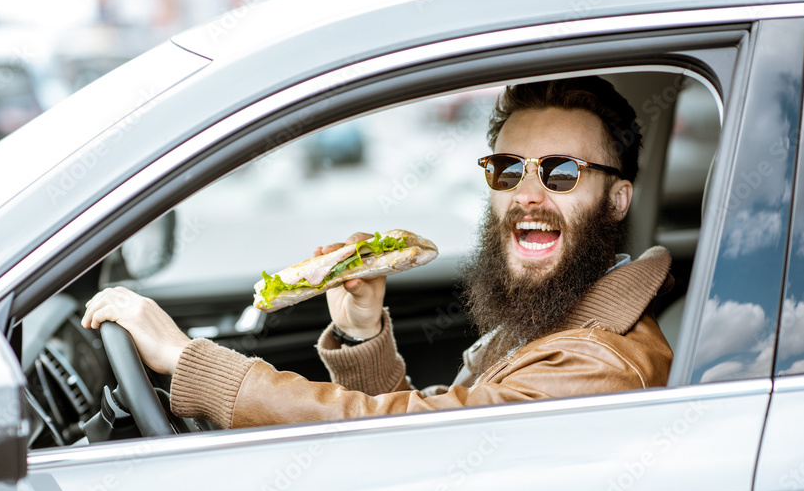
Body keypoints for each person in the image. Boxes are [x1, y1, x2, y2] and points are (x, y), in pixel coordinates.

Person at [82, 76, 674, 429]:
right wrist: (364, 338)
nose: (528, 194)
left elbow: (418, 438)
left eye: (563, 173)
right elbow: (420, 429)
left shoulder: (597, 365)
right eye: (508, 169)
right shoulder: (555, 317)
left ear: (618, 200)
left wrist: (194, 364)